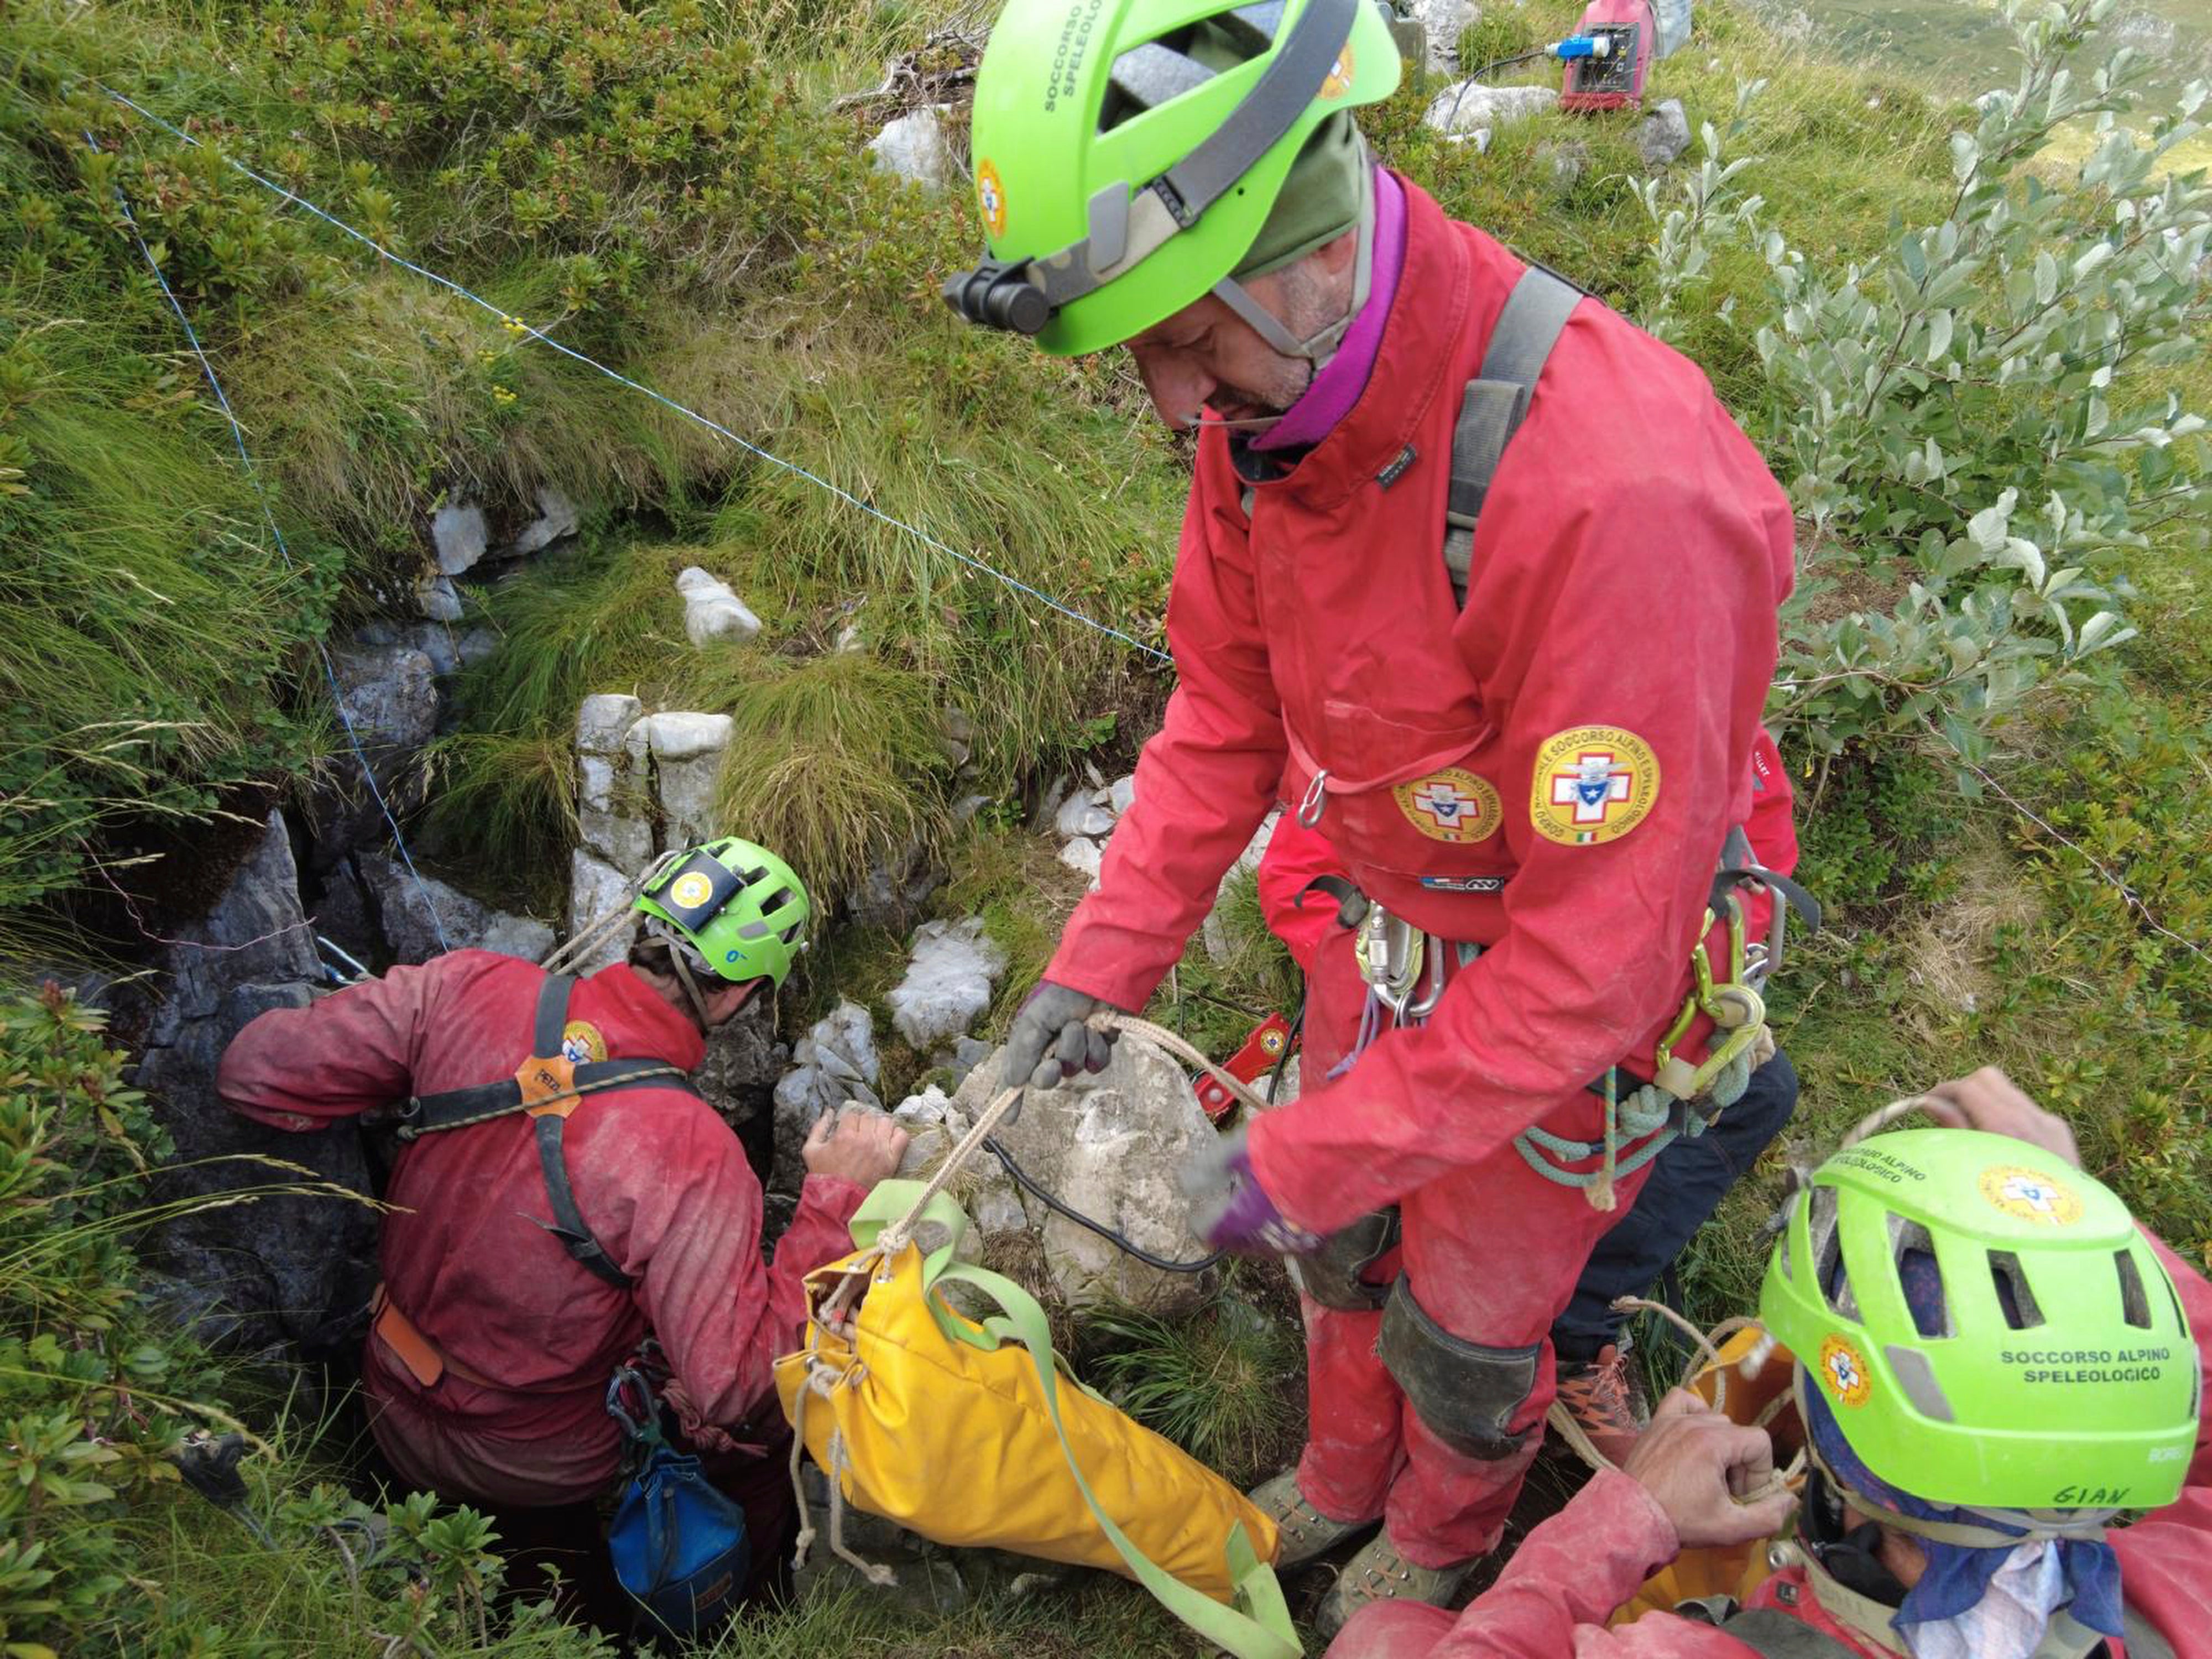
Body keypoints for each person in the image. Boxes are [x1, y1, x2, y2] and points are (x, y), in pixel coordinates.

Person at [950, 0, 1797, 1629]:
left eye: (1191, 345)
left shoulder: (1614, 495)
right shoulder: (1278, 416)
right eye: (1142, 357)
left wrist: (1299, 1151)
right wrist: (1099, 968)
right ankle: (1340, 1483)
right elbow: (1225, 711)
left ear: (1306, 244)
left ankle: (1440, 1525)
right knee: (1336, 1252)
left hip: (1562, 988)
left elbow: (1597, 971)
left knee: (1478, 1319)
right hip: (1386, 912)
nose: (1174, 410)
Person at [217, 837, 907, 1615]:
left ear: (639, 925)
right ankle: (720, 1614)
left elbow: (255, 1071)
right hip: (532, 1463)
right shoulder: (690, 1152)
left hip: (387, 1395)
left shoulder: (462, 985)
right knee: (755, 1442)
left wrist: (431, 1056)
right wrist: (834, 1200)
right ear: (737, 996)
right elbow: (734, 1387)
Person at [1324, 1068, 2210, 1658]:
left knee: (1384, 1637)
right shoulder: (2185, 1581)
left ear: (1827, 1448)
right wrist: (2066, 1228)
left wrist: (1626, 1517)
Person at [1251, 754, 1803, 1468]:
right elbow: (1303, 879)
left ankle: (1572, 1333)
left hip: (1590, 1041)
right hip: (1419, 1018)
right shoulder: (1413, 711)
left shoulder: (1701, 703)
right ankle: (1352, 1459)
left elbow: (1752, 877)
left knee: (1756, 1093)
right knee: (1356, 1256)